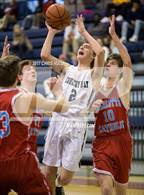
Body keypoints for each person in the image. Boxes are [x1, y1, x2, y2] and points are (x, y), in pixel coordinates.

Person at [41, 15, 105, 195]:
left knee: (66, 177)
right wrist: (51, 32)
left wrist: (83, 32)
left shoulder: (94, 75)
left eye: (87, 47)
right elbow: (44, 55)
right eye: (82, 46)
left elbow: (101, 52)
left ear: (91, 56)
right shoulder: (67, 68)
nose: (83, 47)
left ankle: (59, 186)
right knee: (48, 170)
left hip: (76, 125)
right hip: (58, 120)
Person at [0, 55, 69, 194]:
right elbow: (63, 107)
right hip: (21, 161)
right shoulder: (26, 97)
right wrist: (59, 91)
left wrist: (4, 61)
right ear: (18, 77)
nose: (32, 71)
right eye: (26, 69)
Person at [92, 15, 133, 195]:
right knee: (107, 189)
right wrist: (93, 108)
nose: (108, 66)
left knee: (121, 192)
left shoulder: (122, 87)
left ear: (119, 68)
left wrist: (114, 37)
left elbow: (128, 62)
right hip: (102, 141)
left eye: (112, 64)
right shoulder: (98, 86)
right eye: (107, 64)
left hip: (122, 140)